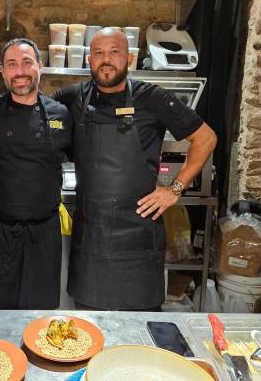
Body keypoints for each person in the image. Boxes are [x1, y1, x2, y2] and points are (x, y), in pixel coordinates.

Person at [53, 28, 217, 311]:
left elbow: (206, 138)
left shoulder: (151, 98)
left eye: (114, 52)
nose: (106, 60)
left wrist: (175, 189)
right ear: (89, 60)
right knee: (89, 329)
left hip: (138, 237)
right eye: (99, 53)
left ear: (129, 59)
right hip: (90, 239)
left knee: (138, 332)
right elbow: (38, 111)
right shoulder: (73, 97)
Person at [0, 38, 72, 309]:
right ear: (3, 72)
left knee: (39, 314)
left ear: (40, 67)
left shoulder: (61, 114)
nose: (20, 71)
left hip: (44, 233)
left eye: (27, 63)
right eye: (12, 64)